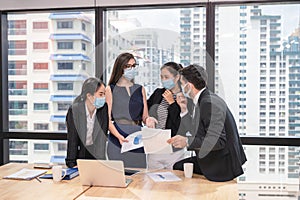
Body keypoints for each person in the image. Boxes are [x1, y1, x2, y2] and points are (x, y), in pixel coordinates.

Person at [167, 64, 247, 182]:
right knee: (178, 166)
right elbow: (195, 129)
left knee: (178, 170)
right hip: (214, 158)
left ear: (189, 85)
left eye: (182, 84)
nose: (181, 87)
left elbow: (218, 140)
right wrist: (183, 110)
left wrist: (187, 141)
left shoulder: (208, 103)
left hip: (222, 164)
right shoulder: (203, 99)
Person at [106, 52, 153, 168]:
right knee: (118, 177)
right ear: (120, 68)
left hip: (137, 137)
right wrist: (119, 136)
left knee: (139, 177)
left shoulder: (140, 89)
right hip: (118, 136)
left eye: (133, 66)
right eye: (127, 66)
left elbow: (145, 117)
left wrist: (149, 120)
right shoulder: (110, 89)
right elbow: (106, 120)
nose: (131, 69)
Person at [147, 62, 187, 169]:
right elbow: (147, 109)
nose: (164, 80)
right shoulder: (158, 93)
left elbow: (182, 125)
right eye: (162, 77)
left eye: (166, 77)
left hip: (174, 151)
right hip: (155, 148)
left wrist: (172, 103)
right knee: (153, 181)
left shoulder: (184, 98)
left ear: (177, 77)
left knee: (175, 183)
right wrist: (148, 118)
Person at [65, 77, 109, 168]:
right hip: (80, 154)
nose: (103, 98)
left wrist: (101, 164)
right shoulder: (75, 110)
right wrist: (72, 164)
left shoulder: (103, 109)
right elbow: (72, 139)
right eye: (101, 94)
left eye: (104, 94)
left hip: (96, 153)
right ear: (89, 96)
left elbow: (102, 139)